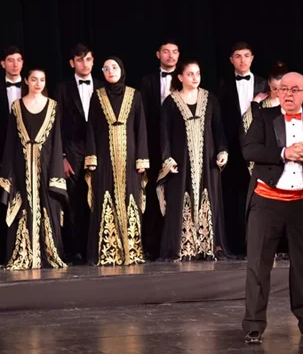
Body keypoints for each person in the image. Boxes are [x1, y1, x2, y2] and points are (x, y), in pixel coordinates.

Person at [242, 72, 303, 344]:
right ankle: (253, 326)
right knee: (258, 265)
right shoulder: (263, 117)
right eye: (284, 89)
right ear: (278, 92)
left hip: (299, 204)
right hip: (266, 201)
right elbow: (249, 150)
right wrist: (284, 153)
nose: (289, 94)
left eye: (295, 90)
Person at [157, 59, 229, 260]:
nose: (195, 78)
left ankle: (208, 246)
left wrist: (223, 151)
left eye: (197, 73)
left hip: (207, 162)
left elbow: (218, 129)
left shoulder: (210, 99)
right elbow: (164, 134)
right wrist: (167, 159)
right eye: (190, 74)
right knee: (181, 199)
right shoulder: (171, 102)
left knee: (209, 199)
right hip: (182, 162)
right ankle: (184, 248)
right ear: (180, 77)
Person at [0, 69, 68, 270]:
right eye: (34, 79)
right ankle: (24, 253)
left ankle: (48, 253)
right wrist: (9, 171)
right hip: (22, 163)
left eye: (42, 80)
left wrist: (56, 170)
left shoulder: (53, 105)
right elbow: (11, 140)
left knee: (48, 203)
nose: (38, 83)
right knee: (24, 205)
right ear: (27, 81)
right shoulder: (17, 106)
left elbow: (57, 141)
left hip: (46, 163)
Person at [84, 57, 148, 265]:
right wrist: (91, 158)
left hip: (129, 156)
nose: (111, 71)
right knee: (105, 195)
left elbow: (141, 128)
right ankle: (107, 252)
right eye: (106, 68)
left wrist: (142, 159)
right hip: (104, 156)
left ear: (121, 69)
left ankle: (132, 250)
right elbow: (91, 128)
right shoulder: (97, 96)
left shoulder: (134, 95)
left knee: (130, 195)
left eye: (114, 67)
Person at [54, 43, 103, 263]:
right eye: (80, 59)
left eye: (89, 59)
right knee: (74, 201)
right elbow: (58, 124)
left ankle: (96, 248)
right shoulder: (63, 88)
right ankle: (75, 251)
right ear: (72, 63)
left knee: (98, 197)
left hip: (99, 150)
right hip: (72, 151)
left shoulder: (102, 86)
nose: (85, 64)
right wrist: (62, 157)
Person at [218, 42, 267, 256]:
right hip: (232, 149)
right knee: (234, 197)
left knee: (259, 197)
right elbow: (218, 120)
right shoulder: (221, 85)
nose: (243, 60)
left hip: (258, 149)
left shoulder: (264, 84)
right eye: (238, 56)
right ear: (231, 60)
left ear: (253, 57)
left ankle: (259, 244)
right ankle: (236, 244)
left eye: (246, 55)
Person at [0, 46, 27, 264]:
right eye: (10, 60)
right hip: (1, 153)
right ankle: (1, 252)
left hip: (28, 150)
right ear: (3, 63)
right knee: (0, 200)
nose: (15, 64)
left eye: (18, 60)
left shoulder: (30, 86)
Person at [140, 40, 180, 260]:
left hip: (178, 145)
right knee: (154, 195)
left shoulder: (185, 78)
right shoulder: (147, 82)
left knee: (176, 193)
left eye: (174, 52)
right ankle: (153, 245)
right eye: (166, 51)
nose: (170, 56)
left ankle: (176, 242)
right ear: (158, 54)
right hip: (154, 145)